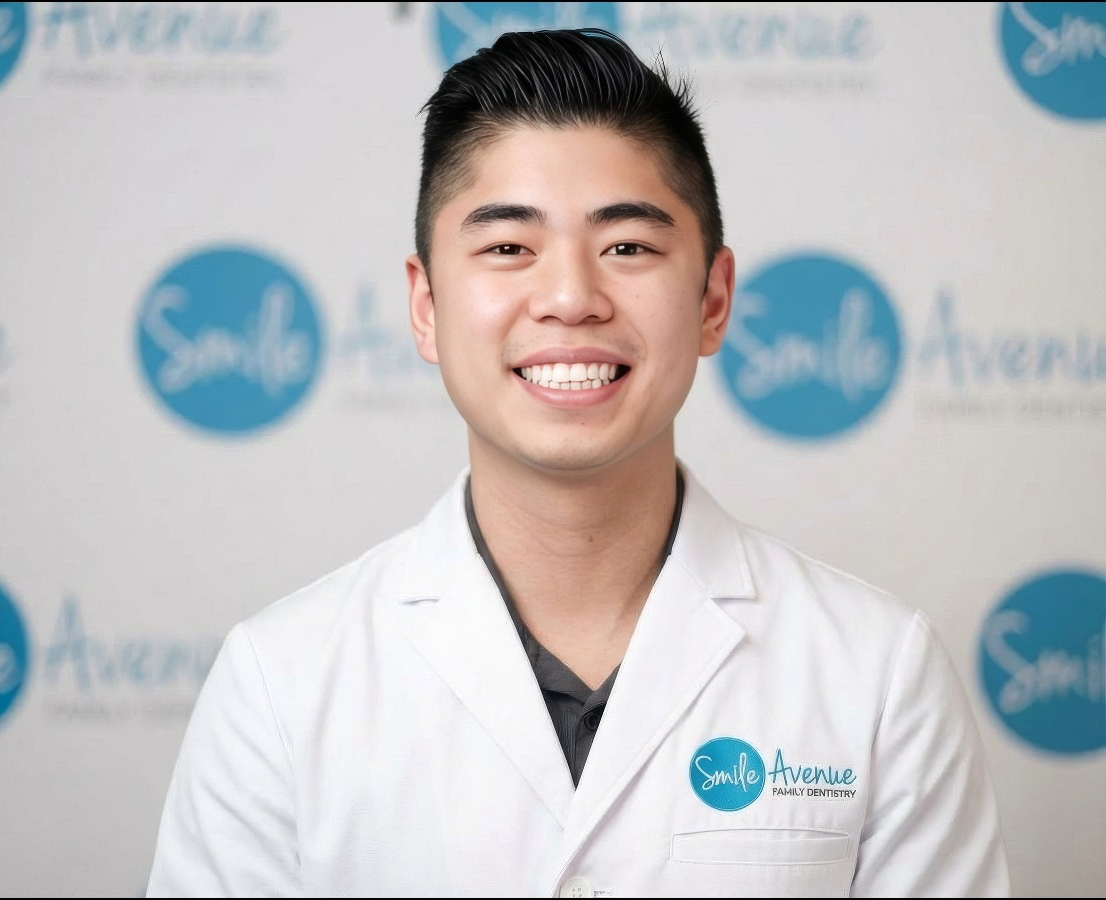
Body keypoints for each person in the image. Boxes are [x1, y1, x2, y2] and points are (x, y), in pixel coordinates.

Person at [145, 28, 1010, 898]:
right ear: (427, 305)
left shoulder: (877, 673)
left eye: (627, 246)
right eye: (508, 248)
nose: (570, 298)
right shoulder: (281, 681)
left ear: (713, 300)